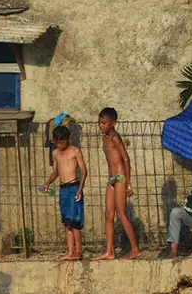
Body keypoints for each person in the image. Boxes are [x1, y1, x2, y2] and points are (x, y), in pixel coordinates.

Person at [93, 108, 143, 261]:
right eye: (99, 123)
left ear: (113, 123)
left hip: (120, 178)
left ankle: (135, 249)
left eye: (104, 123)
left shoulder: (114, 137)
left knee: (120, 213)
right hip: (112, 179)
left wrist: (128, 183)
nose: (101, 126)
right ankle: (109, 251)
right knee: (108, 214)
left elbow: (126, 159)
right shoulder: (106, 138)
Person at [40, 125, 87, 261]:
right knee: (67, 222)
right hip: (63, 189)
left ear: (69, 140)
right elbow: (56, 172)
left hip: (74, 187)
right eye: (57, 143)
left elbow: (84, 171)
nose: (60, 145)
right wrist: (47, 183)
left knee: (75, 221)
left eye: (62, 142)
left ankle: (78, 251)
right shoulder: (55, 153)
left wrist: (80, 188)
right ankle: (70, 251)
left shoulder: (75, 151)